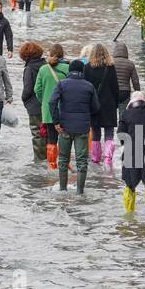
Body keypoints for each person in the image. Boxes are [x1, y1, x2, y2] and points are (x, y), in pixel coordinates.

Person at [48, 59, 100, 194]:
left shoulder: (61, 85)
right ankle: (80, 193)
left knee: (63, 160)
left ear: (69, 71)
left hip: (64, 127)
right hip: (82, 129)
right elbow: (96, 107)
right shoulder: (89, 86)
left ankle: (62, 189)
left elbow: (51, 102)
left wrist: (56, 121)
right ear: (82, 71)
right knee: (82, 161)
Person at [118, 90, 145, 216]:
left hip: (131, 153)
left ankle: (129, 213)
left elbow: (121, 134)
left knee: (130, 184)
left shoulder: (125, 114)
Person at [82, 43, 121, 166]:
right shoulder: (110, 67)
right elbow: (115, 87)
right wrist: (116, 103)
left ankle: (95, 158)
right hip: (109, 104)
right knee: (109, 132)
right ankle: (108, 158)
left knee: (96, 132)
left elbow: (85, 87)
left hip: (93, 105)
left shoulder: (87, 67)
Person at [33, 43, 70, 171]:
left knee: (51, 138)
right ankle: (65, 164)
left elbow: (37, 89)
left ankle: (52, 165)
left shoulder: (43, 69)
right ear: (62, 55)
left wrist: (43, 101)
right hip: (65, 109)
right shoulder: (67, 68)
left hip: (48, 110)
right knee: (66, 138)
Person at [17, 42, 48, 165]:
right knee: (48, 134)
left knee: (37, 134)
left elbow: (27, 89)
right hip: (48, 105)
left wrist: (24, 100)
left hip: (35, 107)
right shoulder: (46, 65)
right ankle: (50, 159)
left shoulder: (29, 68)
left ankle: (39, 161)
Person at [112, 42, 141, 109]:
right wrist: (138, 93)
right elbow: (135, 81)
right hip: (125, 92)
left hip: (113, 91)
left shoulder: (110, 62)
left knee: (112, 113)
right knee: (123, 113)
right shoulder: (130, 64)